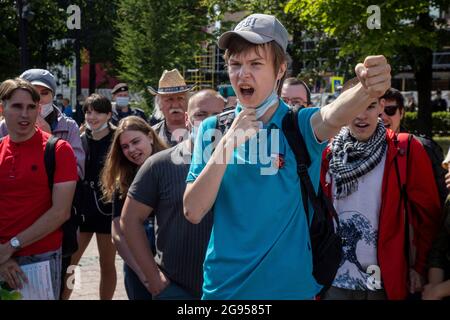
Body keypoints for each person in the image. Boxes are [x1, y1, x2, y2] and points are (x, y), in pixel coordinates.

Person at [183, 13, 391, 299]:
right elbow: (193, 210)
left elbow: (333, 113)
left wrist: (365, 90)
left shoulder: (299, 125)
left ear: (280, 69)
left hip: (291, 290)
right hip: (224, 291)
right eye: (235, 64)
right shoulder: (212, 129)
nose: (243, 74)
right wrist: (227, 144)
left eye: (255, 64)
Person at [319, 83, 441, 300]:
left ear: (381, 107)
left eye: (370, 106)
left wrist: (419, 267)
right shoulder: (328, 152)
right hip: (333, 278)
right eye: (354, 106)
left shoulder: (405, 148)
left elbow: (428, 216)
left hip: (385, 282)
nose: (361, 116)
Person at [121, 89, 225, 300]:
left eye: (217, 116)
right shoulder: (160, 164)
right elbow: (129, 219)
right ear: (187, 119)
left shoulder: (243, 166)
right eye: (201, 115)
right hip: (176, 290)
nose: (210, 122)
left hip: (230, 288)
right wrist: (154, 279)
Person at [0, 78, 77, 299]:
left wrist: (10, 247)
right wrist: (3, 255)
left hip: (40, 258)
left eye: (31, 107)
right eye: (17, 106)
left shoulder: (59, 150)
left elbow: (60, 212)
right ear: (2, 108)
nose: (25, 114)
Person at [100, 116, 167, 300]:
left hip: (173, 261)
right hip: (137, 263)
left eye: (136, 141)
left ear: (150, 137)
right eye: (125, 146)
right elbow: (118, 233)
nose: (132, 150)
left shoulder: (174, 166)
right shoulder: (124, 179)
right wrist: (143, 274)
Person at [61, 94, 117, 300]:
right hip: (82, 210)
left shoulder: (117, 139)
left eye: (98, 112)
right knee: (70, 263)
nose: (92, 116)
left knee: (107, 263)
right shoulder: (81, 138)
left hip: (107, 210)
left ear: (109, 114)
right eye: (88, 111)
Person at [379, 88, 447, 206]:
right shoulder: (363, 151)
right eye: (378, 112)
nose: (383, 117)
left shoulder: (425, 147)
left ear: (402, 113)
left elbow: (443, 193)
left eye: (390, 110)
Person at [148, 69, 194, 147]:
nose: (175, 105)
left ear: (188, 101)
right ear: (159, 105)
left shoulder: (201, 130)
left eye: (180, 98)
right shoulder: (151, 136)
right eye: (169, 99)